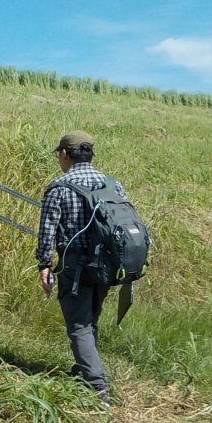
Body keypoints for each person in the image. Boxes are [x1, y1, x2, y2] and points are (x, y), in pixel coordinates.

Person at [37, 131, 126, 404]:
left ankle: (98, 388)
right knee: (90, 321)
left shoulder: (59, 187)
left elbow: (47, 231)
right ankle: (83, 370)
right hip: (107, 266)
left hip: (75, 266)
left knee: (78, 326)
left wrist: (44, 264)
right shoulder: (113, 185)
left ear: (65, 153)